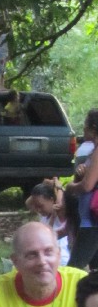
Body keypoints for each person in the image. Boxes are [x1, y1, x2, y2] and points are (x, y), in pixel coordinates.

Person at [66, 109, 98, 270]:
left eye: (86, 125)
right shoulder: (92, 152)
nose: (83, 129)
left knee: (73, 269)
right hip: (91, 219)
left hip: (92, 221)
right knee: (95, 269)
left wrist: (70, 187)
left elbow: (87, 186)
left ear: (93, 128)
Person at [26, 181, 70, 266]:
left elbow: (59, 202)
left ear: (51, 200)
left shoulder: (59, 213)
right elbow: (28, 203)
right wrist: (44, 185)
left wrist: (58, 187)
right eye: (36, 207)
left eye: (40, 206)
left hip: (62, 260)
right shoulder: (43, 215)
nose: (38, 209)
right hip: (47, 260)